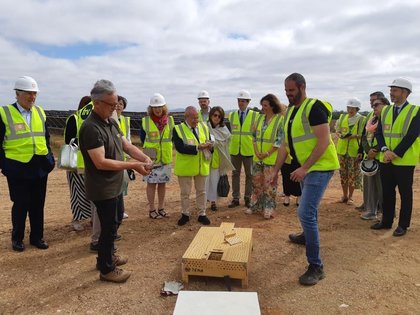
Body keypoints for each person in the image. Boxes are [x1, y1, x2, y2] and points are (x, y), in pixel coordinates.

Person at [79, 79, 152, 283]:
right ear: (97, 103)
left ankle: (108, 256)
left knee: (116, 220)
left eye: (116, 103)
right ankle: (106, 269)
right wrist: (133, 166)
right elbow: (100, 162)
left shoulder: (110, 121)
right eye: (111, 104)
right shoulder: (91, 128)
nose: (115, 108)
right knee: (108, 227)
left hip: (115, 185)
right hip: (102, 188)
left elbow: (126, 146)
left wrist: (143, 158)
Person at [271, 73, 340, 285]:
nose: (288, 95)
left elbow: (324, 141)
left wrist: (305, 168)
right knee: (309, 211)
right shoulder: (290, 111)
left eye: (291, 91)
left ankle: (316, 266)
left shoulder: (314, 107)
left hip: (320, 167)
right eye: (286, 91)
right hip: (306, 168)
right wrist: (274, 171)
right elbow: (284, 145)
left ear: (302, 87)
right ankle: (306, 236)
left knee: (305, 211)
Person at [0, 76, 55, 252]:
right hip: (17, 167)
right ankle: (17, 238)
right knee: (21, 203)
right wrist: (5, 166)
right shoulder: (5, 112)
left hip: (40, 165)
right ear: (17, 94)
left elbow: (46, 138)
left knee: (38, 204)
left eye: (34, 94)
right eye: (28, 94)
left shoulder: (39, 112)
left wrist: (50, 159)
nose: (32, 97)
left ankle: (37, 237)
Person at [371, 78, 420, 237]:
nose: (391, 93)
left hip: (404, 160)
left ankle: (403, 225)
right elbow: (379, 133)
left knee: (405, 193)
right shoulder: (385, 111)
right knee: (387, 191)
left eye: (395, 90)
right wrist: (385, 149)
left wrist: (395, 153)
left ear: (405, 93)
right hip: (386, 157)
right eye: (391, 90)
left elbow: (411, 135)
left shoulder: (415, 111)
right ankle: (386, 221)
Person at [173, 106, 213, 226]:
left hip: (201, 166)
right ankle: (185, 214)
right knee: (185, 193)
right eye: (193, 118)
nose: (196, 120)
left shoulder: (204, 127)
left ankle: (202, 214)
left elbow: (210, 143)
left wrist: (211, 147)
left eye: (197, 117)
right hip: (186, 167)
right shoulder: (178, 129)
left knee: (202, 191)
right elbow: (180, 147)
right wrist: (197, 147)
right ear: (186, 117)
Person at [248, 94, 285, 219]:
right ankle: (256, 206)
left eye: (265, 105)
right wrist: (257, 151)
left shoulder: (279, 120)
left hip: (271, 158)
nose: (262, 108)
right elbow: (253, 136)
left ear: (272, 106)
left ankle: (269, 208)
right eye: (262, 105)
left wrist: (267, 153)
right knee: (256, 183)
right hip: (257, 158)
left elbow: (279, 140)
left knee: (269, 185)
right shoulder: (258, 119)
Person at [140, 93, 174, 219]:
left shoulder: (170, 121)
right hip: (151, 159)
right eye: (155, 107)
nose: (158, 109)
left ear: (164, 107)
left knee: (162, 183)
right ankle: (152, 209)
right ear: (151, 108)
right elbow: (143, 139)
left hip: (165, 158)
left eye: (159, 106)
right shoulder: (146, 121)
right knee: (151, 184)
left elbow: (172, 137)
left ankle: (161, 208)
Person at [64, 96, 94, 231]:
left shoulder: (94, 121)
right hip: (76, 164)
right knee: (77, 193)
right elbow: (68, 140)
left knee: (93, 192)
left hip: (91, 163)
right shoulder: (74, 119)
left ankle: (94, 218)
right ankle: (76, 219)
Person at [358, 96, 390, 220]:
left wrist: (375, 150)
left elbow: (387, 138)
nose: (373, 106)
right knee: (369, 186)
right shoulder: (371, 119)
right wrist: (367, 150)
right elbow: (365, 136)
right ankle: (371, 210)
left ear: (385, 105)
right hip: (370, 157)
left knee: (382, 187)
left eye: (376, 104)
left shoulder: (388, 120)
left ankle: (385, 212)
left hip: (382, 157)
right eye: (372, 104)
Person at [228, 90, 259, 208]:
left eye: (243, 101)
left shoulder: (255, 116)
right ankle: (235, 198)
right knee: (235, 174)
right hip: (235, 150)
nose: (241, 103)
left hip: (249, 150)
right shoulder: (232, 115)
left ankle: (248, 198)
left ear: (248, 102)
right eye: (239, 101)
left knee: (249, 175)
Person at [335, 98, 365, 205]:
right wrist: (340, 135)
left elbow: (363, 134)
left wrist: (353, 136)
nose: (350, 110)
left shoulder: (361, 119)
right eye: (349, 107)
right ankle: (344, 196)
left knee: (352, 174)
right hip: (342, 150)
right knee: (343, 174)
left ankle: (351, 197)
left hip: (354, 150)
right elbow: (337, 131)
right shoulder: (342, 117)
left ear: (357, 109)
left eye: (352, 108)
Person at [205, 106, 234, 211]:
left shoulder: (224, 129)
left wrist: (216, 143)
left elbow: (227, 143)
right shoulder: (205, 127)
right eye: (215, 115)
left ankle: (213, 202)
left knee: (214, 180)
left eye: (219, 116)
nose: (217, 118)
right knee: (205, 181)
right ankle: (204, 201)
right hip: (206, 157)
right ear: (211, 115)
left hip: (218, 158)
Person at [115, 95, 131, 222]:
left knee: (123, 183)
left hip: (123, 154)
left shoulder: (125, 120)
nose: (119, 106)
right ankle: (117, 211)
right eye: (117, 103)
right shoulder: (110, 119)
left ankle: (121, 210)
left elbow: (128, 138)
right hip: (115, 155)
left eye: (121, 104)